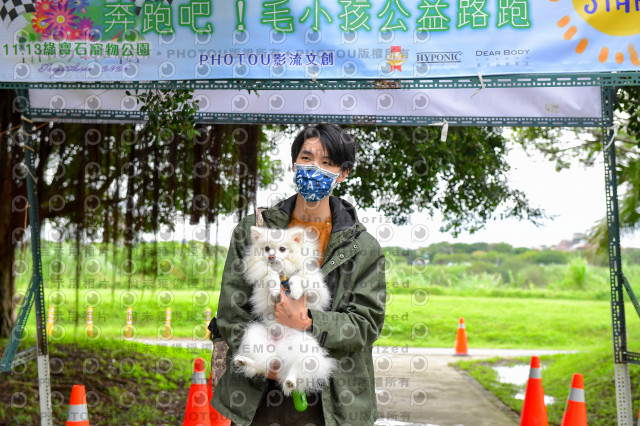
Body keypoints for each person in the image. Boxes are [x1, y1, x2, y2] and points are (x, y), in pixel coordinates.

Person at [211, 123, 387, 426]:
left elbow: (366, 324)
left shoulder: (363, 248)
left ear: (343, 174)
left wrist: (308, 321)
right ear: (294, 164)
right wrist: (264, 362)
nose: (314, 169)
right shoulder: (255, 232)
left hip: (334, 404)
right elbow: (231, 311)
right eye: (306, 158)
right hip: (259, 398)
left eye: (327, 162)